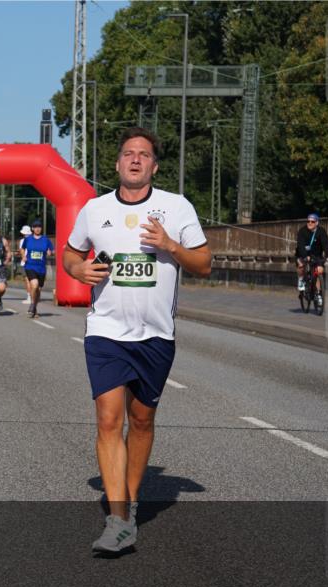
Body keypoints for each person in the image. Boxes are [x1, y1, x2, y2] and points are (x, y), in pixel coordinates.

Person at [62, 127, 211, 553]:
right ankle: (119, 517)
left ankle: (129, 499)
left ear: (153, 166)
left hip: (156, 335)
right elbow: (72, 253)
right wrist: (77, 271)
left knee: (141, 420)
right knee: (109, 419)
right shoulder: (94, 209)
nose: (134, 159)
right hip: (106, 332)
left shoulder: (176, 207)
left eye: (143, 155)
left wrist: (170, 246)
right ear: (117, 164)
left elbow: (203, 263)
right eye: (128, 153)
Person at [295, 212, 328, 307]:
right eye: (308, 221)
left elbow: (326, 244)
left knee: (319, 270)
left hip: (316, 255)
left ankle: (318, 294)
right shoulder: (302, 231)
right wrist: (304, 256)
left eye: (312, 221)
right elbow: (300, 245)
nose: (310, 223)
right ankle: (301, 279)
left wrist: (327, 255)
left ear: (317, 223)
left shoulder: (321, 231)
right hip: (303, 254)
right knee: (301, 265)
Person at [20, 220, 53, 318]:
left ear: (41, 228)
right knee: (34, 285)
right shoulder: (28, 239)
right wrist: (23, 256)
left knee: (38, 290)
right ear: (32, 229)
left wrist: (50, 252)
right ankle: (32, 305)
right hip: (30, 266)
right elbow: (22, 248)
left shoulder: (46, 240)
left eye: (39, 227)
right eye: (35, 227)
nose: (37, 228)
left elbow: (52, 250)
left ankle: (34, 308)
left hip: (41, 268)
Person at [19, 224, 33, 304]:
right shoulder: (34, 239)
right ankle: (34, 296)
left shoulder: (22, 241)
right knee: (34, 280)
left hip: (25, 262)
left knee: (27, 280)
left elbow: (21, 251)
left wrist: (23, 257)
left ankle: (29, 297)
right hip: (34, 262)